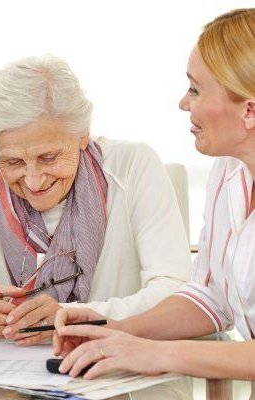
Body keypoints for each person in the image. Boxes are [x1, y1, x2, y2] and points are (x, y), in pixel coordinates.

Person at [0, 54, 192, 345]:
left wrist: (73, 318)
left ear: (82, 134)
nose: (32, 181)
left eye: (48, 157)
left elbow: (176, 294)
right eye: (13, 162)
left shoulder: (133, 166)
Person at [51, 8, 255, 381]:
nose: (183, 102)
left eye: (195, 89)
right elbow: (208, 298)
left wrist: (157, 354)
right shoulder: (228, 171)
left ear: (250, 110)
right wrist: (115, 329)